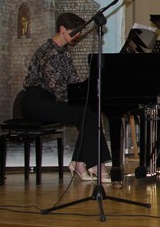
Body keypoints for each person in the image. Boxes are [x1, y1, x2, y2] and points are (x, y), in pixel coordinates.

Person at [21, 12, 112, 180]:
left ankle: (81, 162)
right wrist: (81, 99)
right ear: (62, 29)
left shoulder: (64, 53)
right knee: (86, 111)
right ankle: (91, 163)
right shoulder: (48, 53)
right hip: (35, 103)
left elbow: (73, 81)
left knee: (90, 110)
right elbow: (57, 88)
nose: (78, 35)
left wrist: (86, 94)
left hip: (50, 99)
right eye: (75, 31)